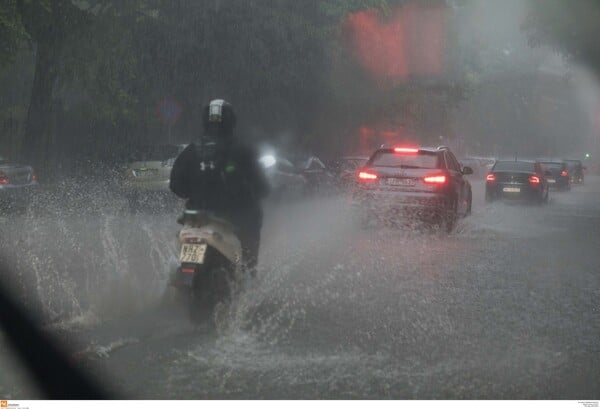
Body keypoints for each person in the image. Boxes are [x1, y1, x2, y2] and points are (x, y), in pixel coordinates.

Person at [169, 99, 269, 275]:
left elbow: (176, 185)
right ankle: (247, 274)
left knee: (186, 269)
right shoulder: (242, 150)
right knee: (249, 251)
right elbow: (262, 187)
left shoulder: (191, 150)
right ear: (231, 122)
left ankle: (186, 277)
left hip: (196, 220)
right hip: (234, 219)